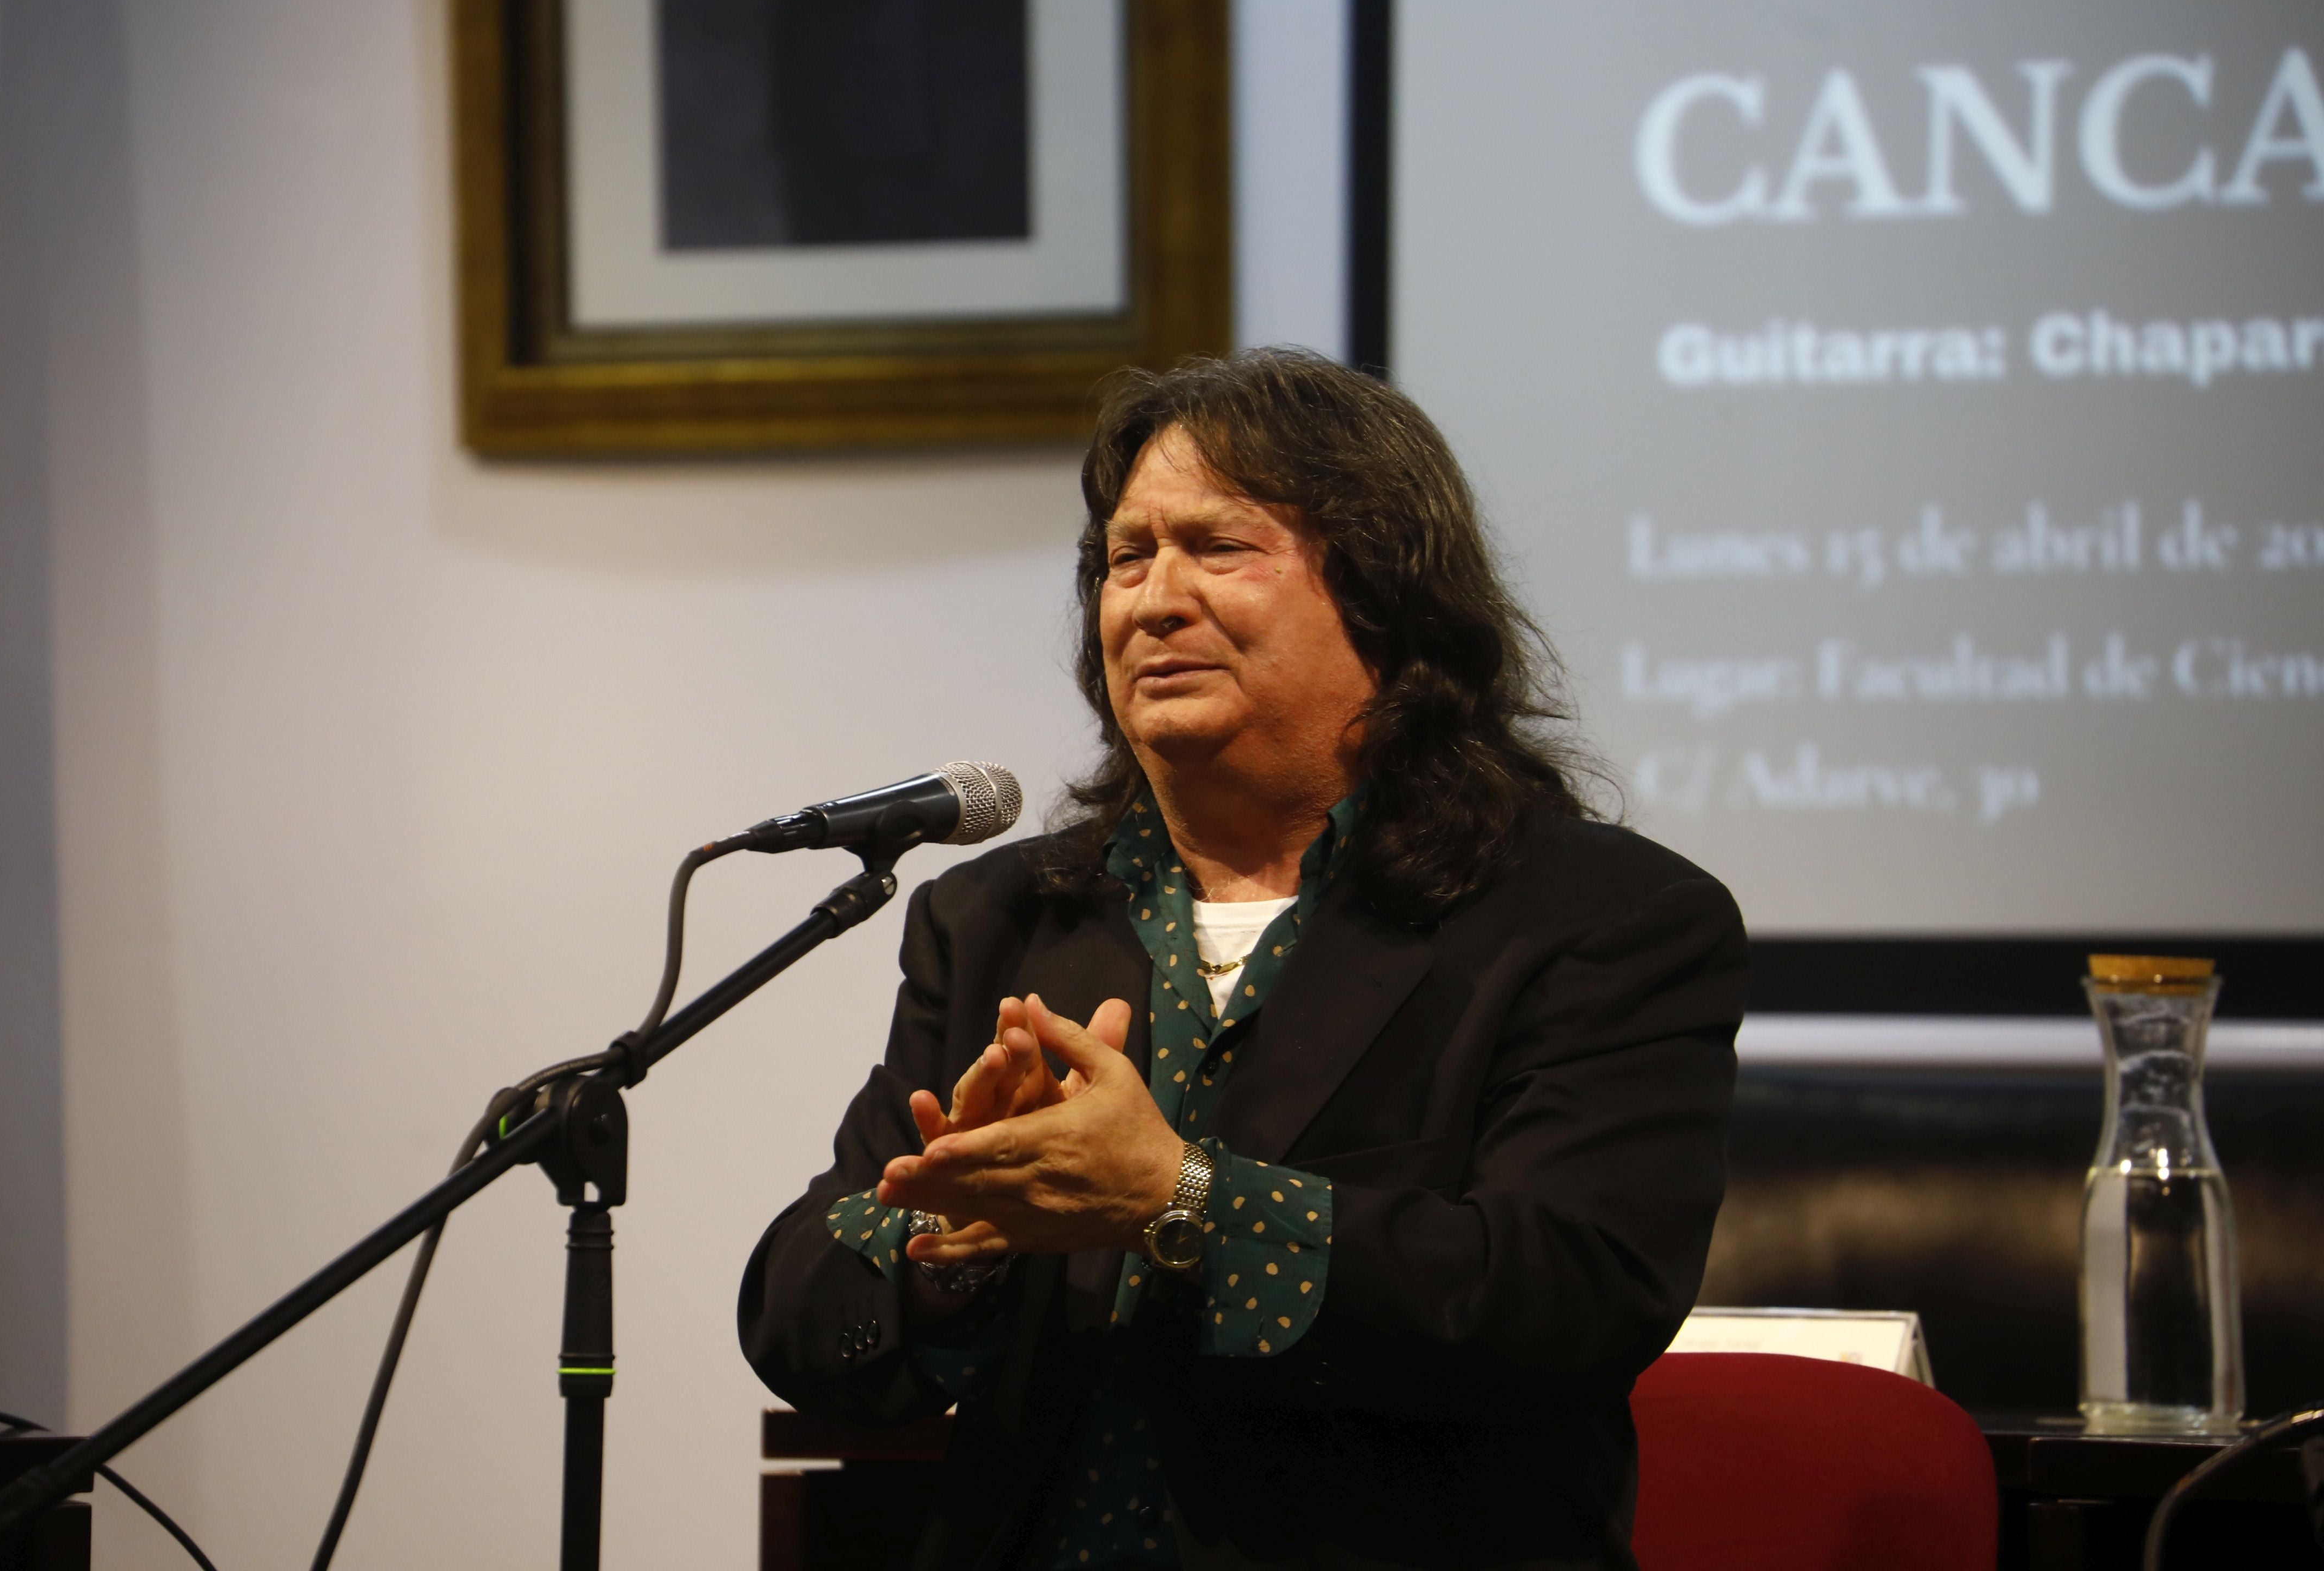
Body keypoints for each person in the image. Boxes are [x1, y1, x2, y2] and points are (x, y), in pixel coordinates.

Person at [738, 349, 1747, 1571]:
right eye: (1126, 557)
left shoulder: (1600, 918)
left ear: (1387, 595)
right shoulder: (1003, 920)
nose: (1153, 599)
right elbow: (801, 1309)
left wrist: (1185, 1201)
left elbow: (1569, 1297)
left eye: (1219, 548)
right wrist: (950, 1243)